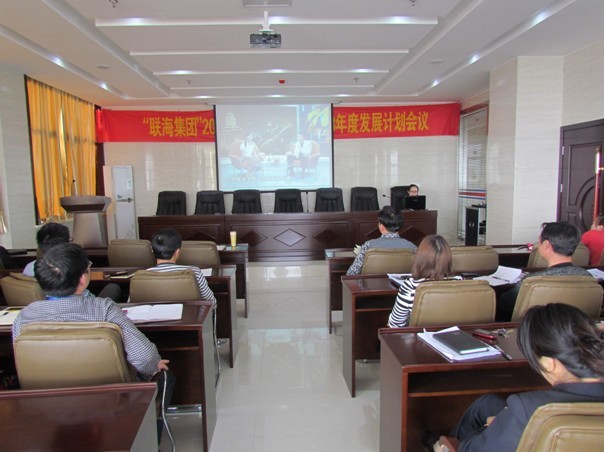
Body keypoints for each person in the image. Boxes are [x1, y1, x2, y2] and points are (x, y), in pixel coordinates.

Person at [12, 242, 174, 443]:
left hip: (45, 406)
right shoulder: (103, 309)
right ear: (82, 278)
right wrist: (153, 366)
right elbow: (144, 358)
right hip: (113, 404)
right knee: (165, 376)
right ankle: (149, 444)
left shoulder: (24, 317)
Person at [441, 303, 603, 451]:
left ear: (549, 363)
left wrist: (491, 428)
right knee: (486, 403)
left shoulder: (528, 408)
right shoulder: (527, 407)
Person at [496, 221, 592, 321]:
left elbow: (505, 303)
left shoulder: (531, 281)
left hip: (535, 329)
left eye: (539, 240)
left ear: (546, 245)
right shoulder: (588, 277)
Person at [23, 222, 121, 302]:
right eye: (70, 240)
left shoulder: (29, 268)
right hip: (85, 306)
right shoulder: (72, 266)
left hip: (48, 309)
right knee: (112, 288)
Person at [388, 235, 461, 328]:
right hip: (453, 335)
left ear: (420, 258)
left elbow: (395, 325)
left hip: (418, 336)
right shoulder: (460, 282)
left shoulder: (410, 287)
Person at [147, 228, 216, 306]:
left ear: (152, 250)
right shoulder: (194, 272)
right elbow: (211, 301)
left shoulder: (141, 275)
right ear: (177, 252)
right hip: (189, 314)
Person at [346, 206, 416, 276]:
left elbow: (351, 274)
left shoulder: (368, 246)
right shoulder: (412, 247)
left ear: (381, 226)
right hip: (400, 283)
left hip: (372, 283)